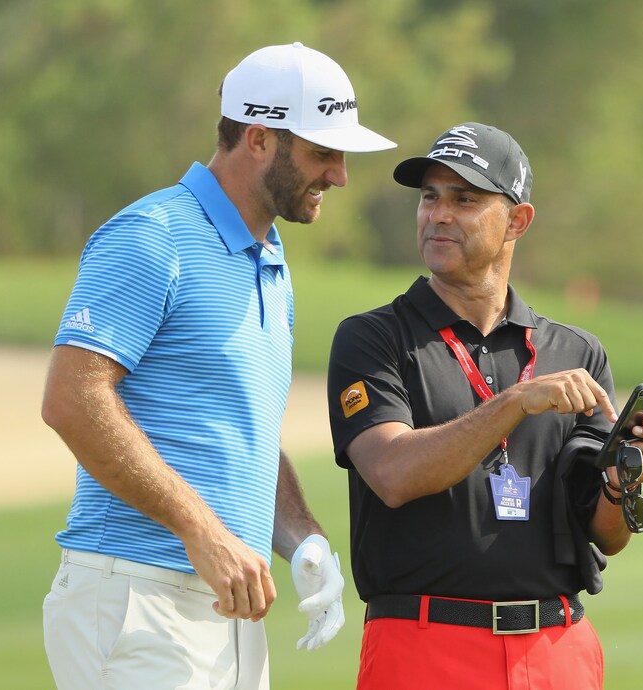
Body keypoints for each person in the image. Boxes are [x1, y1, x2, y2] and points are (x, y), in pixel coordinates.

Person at [41, 42, 395, 690]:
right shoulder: (152, 235)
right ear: (260, 138)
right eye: (323, 153)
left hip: (228, 606)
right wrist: (201, 529)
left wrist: (302, 538)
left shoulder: (271, 260)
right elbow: (71, 398)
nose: (340, 175)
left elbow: (243, 432)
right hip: (137, 598)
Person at [326, 123, 643, 689]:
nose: (439, 214)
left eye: (464, 199)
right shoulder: (374, 338)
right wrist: (514, 403)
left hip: (557, 647)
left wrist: (623, 478)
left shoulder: (576, 353)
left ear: (518, 220)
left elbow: (606, 534)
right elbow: (392, 473)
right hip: (422, 647)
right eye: (430, 197)